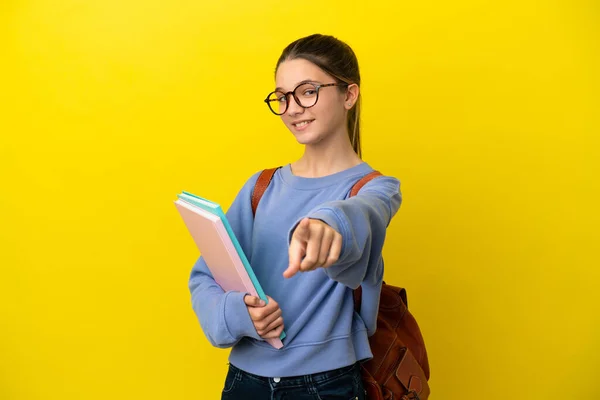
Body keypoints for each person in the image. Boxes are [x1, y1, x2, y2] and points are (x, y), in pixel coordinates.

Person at [188, 33, 402, 400]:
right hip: (244, 382)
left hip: (327, 385)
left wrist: (327, 225)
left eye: (307, 91)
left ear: (349, 95)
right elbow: (205, 276)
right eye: (283, 97)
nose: (292, 108)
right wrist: (239, 314)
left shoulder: (376, 189)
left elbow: (362, 215)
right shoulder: (260, 186)